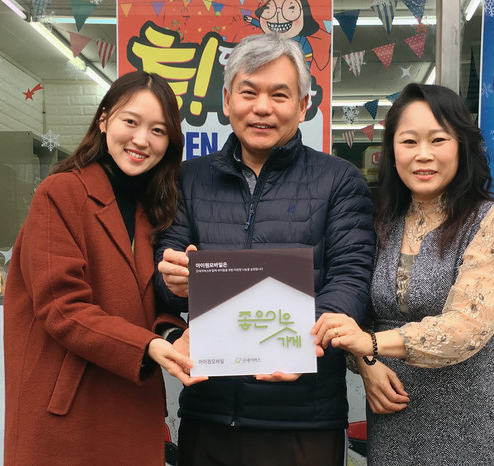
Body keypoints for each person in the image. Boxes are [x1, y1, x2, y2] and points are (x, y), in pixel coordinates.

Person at [155, 33, 374, 465]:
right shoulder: (187, 179)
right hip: (210, 412)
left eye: (279, 94)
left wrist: (296, 345)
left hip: (304, 418)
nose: (261, 107)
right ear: (227, 99)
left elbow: (351, 280)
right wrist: (174, 282)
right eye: (249, 92)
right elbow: (161, 278)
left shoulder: (339, 180)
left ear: (303, 105)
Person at [312, 83, 494, 465]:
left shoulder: (492, 219)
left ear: (461, 145)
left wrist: (371, 345)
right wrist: (367, 364)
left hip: (463, 417)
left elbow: (466, 327)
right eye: (409, 141)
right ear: (392, 151)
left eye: (438, 140)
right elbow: (356, 314)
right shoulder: (379, 220)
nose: (423, 154)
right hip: (391, 409)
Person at [3, 71, 205, 465]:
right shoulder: (60, 193)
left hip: (132, 405)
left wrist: (171, 333)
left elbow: (145, 302)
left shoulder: (155, 208)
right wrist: (148, 346)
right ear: (103, 120)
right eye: (131, 121)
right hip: (68, 415)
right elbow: (60, 306)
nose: (142, 140)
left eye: (158, 130)